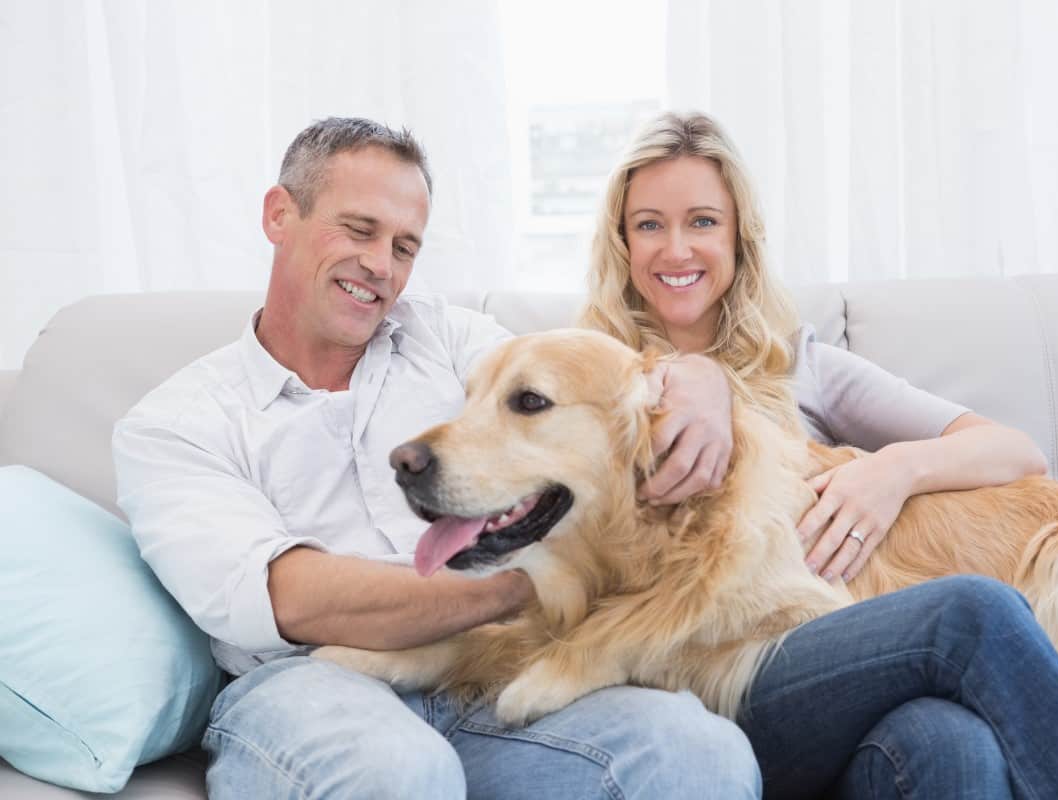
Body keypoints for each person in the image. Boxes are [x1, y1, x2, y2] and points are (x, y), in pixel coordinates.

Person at [112, 117, 760, 799]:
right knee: (398, 772)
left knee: (697, 751)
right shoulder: (176, 424)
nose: (381, 266)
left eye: (405, 246)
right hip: (312, 685)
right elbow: (291, 600)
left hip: (481, 670)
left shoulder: (450, 338)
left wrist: (701, 381)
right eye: (359, 230)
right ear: (280, 214)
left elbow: (591, 392)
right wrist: (521, 584)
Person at [580, 111, 1058, 799]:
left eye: (702, 221)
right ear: (621, 241)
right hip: (716, 683)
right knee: (972, 613)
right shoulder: (586, 380)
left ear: (740, 236)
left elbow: (1016, 450)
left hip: (847, 670)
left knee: (952, 741)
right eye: (649, 224)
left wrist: (891, 471)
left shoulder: (802, 366)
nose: (676, 249)